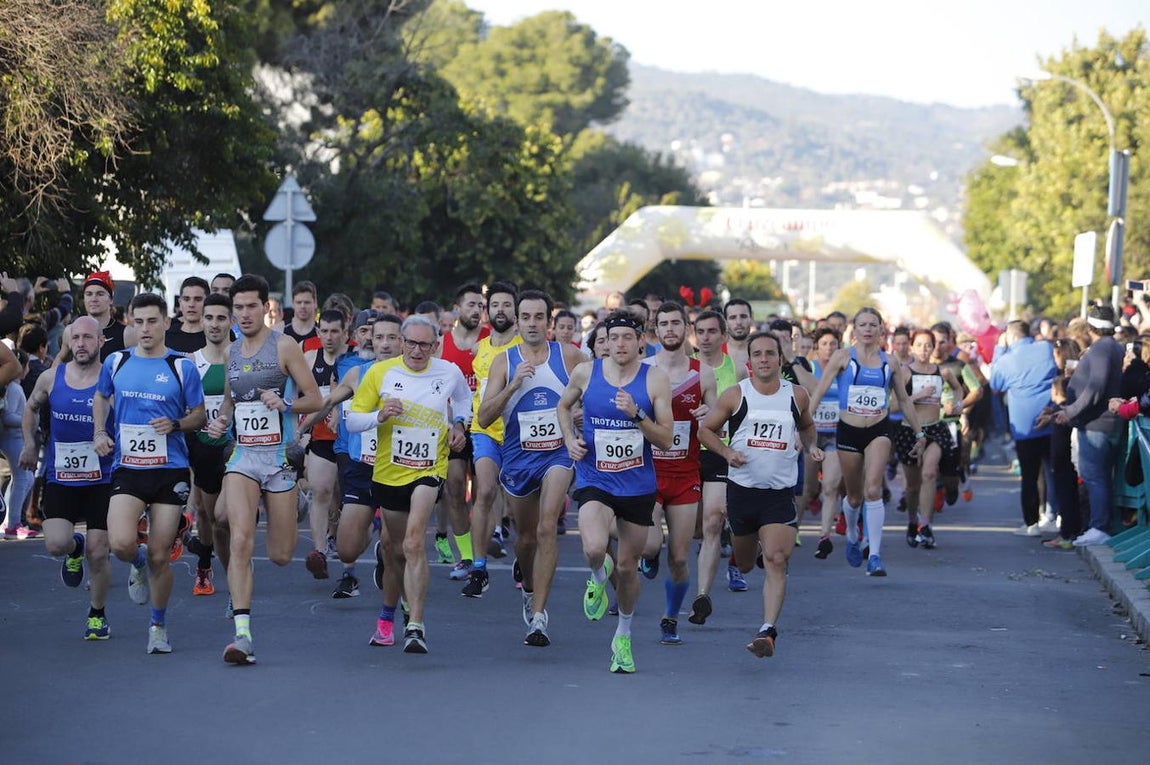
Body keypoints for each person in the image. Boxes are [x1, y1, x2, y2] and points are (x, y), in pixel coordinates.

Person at [204, 274, 321, 665]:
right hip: (243, 458)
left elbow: (315, 398)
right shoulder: (232, 352)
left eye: (251, 306)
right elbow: (229, 405)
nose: (244, 314)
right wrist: (220, 423)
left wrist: (285, 404)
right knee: (240, 539)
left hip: (278, 459)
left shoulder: (284, 346)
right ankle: (242, 634)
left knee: (282, 555)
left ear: (266, 307)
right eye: (238, 308)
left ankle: (296, 501)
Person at [346, 315, 471, 654]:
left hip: (429, 469)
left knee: (415, 542)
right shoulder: (379, 373)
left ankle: (415, 624)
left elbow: (463, 400)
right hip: (388, 473)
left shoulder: (448, 372)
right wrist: (379, 416)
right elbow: (353, 419)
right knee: (393, 549)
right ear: (401, 343)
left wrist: (460, 425)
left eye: (425, 344)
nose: (418, 350)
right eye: (412, 343)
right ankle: (388, 616)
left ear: (435, 345)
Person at [557, 309, 674, 673]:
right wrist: (570, 439)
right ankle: (596, 576)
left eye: (627, 338)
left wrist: (638, 414)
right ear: (603, 342)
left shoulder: (655, 380)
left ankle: (622, 635)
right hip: (596, 478)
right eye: (612, 338)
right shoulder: (586, 373)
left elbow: (667, 440)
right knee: (594, 547)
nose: (619, 345)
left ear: (640, 341)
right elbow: (563, 406)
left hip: (638, 485)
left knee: (627, 569)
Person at [92, 293, 207, 654]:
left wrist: (175, 423)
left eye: (152, 321)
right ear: (129, 322)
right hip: (128, 468)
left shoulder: (181, 367)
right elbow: (100, 397)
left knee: (161, 554)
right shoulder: (115, 362)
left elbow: (199, 416)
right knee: (123, 543)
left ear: (165, 324)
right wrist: (99, 432)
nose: (145, 328)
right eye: (138, 322)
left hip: (169, 469)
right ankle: (135, 563)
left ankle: (157, 626)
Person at [699, 331, 822, 657]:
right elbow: (705, 430)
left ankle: (767, 630)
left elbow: (808, 426)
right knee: (747, 562)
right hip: (742, 491)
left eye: (771, 353)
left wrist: (811, 446)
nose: (765, 359)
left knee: (776, 560)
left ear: (780, 359)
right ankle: (744, 552)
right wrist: (726, 454)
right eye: (758, 354)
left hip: (779, 494)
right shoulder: (735, 395)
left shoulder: (796, 395)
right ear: (749, 361)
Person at [477, 289, 585, 647]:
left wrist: (581, 415)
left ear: (549, 322)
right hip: (519, 457)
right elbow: (485, 416)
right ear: (518, 321)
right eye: (527, 317)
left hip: (558, 453)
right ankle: (527, 583)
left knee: (546, 526)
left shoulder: (569, 357)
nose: (533, 324)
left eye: (540, 317)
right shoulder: (504, 362)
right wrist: (512, 386)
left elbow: (595, 397)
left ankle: (539, 617)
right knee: (525, 540)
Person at [807, 307, 925, 576]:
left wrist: (920, 433)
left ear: (881, 329)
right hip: (849, 430)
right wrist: (804, 428)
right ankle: (850, 533)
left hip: (878, 430)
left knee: (873, 489)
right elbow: (819, 391)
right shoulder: (842, 357)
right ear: (855, 329)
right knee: (854, 495)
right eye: (863, 324)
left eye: (873, 324)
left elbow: (904, 400)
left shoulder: (890, 362)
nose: (868, 329)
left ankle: (874, 554)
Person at [19, 317, 115, 639]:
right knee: (56, 543)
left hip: (103, 479)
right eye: (76, 338)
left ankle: (97, 614)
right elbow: (30, 408)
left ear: (101, 342)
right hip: (63, 477)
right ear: (68, 342)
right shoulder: (50, 377)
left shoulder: (111, 378)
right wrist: (30, 444)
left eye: (89, 337)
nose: (81, 344)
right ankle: (75, 547)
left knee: (100, 551)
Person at [642, 302, 717, 645]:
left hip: (686, 473)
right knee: (650, 544)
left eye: (676, 323)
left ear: (685, 328)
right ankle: (648, 554)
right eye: (663, 324)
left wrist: (709, 414)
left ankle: (670, 617)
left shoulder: (703, 374)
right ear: (655, 330)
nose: (670, 329)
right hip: (648, 470)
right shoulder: (642, 369)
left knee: (680, 555)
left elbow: (716, 420)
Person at [689, 309, 748, 623]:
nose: (707, 337)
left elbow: (745, 411)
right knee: (694, 529)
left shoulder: (736, 369)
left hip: (719, 451)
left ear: (724, 336)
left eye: (713, 331)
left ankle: (701, 596)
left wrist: (717, 414)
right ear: (694, 335)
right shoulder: (685, 368)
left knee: (714, 521)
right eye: (701, 331)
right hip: (684, 453)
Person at [462, 281, 520, 597]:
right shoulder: (480, 348)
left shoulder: (528, 347)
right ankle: (479, 567)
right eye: (494, 305)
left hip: (519, 434)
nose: (500, 310)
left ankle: (523, 557)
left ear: (516, 310)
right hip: (484, 430)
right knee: (483, 490)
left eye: (506, 305)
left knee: (519, 501)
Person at [1055, 305, 1124, 546]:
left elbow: (1095, 388)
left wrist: (1071, 411)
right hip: (1101, 422)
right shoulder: (1111, 347)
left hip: (1097, 424)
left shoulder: (1102, 349)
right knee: (1099, 476)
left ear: (1089, 326)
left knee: (1095, 476)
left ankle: (1100, 527)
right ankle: (1101, 524)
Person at [184, 293, 235, 597]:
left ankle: (235, 575)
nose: (215, 324)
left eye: (220, 318)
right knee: (207, 515)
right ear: (201, 321)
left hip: (234, 446)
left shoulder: (241, 357)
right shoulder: (191, 362)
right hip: (202, 447)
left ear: (231, 321)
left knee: (224, 517)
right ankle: (205, 563)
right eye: (209, 318)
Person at [896, 330, 966, 548]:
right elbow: (893, 403)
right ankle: (912, 521)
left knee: (929, 473)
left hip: (935, 429)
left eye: (928, 345)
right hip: (910, 431)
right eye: (919, 345)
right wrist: (917, 396)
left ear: (934, 347)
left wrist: (957, 404)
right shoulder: (905, 372)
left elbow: (958, 389)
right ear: (912, 348)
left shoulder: (942, 372)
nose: (924, 350)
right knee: (912, 487)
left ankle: (925, 526)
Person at [989, 321, 1058, 537]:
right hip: (1051, 418)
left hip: (1024, 426)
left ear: (1010, 336)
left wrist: (999, 350)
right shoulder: (1046, 347)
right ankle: (1054, 514)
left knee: (1029, 476)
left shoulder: (1006, 359)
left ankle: (1032, 524)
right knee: (1054, 471)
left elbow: (995, 385)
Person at [438, 284, 488, 581]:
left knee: (484, 491)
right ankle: (466, 556)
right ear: (457, 308)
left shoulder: (489, 340)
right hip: (454, 424)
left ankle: (484, 548)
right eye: (471, 304)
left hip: (485, 424)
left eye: (480, 306)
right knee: (455, 488)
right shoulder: (442, 344)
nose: (477, 310)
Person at [302, 309, 350, 582]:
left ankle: (340, 543)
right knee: (320, 490)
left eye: (335, 331)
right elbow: (295, 393)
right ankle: (319, 552)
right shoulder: (309, 359)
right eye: (325, 331)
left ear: (345, 333)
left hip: (349, 439)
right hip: (320, 435)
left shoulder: (353, 360)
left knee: (344, 498)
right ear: (318, 332)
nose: (329, 337)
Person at [80, 271, 134, 361]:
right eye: (89, 294)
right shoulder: (72, 331)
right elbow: (60, 361)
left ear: (111, 299)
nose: (94, 299)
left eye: (100, 294)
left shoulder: (127, 333)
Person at [165, 276, 209, 356]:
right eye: (186, 299)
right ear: (180, 302)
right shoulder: (166, 336)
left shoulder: (218, 335)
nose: (191, 305)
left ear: (208, 302)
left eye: (198, 299)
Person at [723, 298, 754, 371]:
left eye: (743, 316)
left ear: (751, 319)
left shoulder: (763, 354)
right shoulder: (715, 354)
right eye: (733, 317)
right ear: (725, 322)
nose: (738, 322)